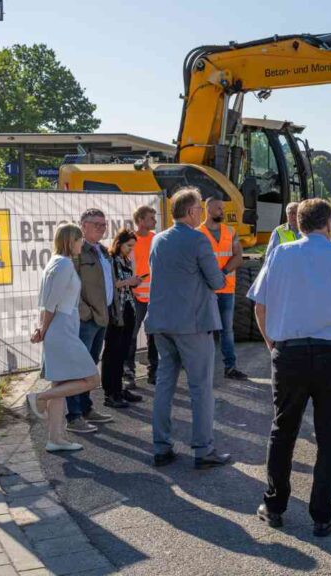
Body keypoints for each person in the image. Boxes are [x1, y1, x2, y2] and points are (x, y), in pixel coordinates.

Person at [248, 198, 331, 538]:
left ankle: (274, 506)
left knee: (283, 429)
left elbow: (260, 307)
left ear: (299, 223)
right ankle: (322, 514)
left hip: (289, 353)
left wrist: (272, 344)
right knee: (330, 435)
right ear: (328, 222)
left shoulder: (280, 254)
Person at [146, 187, 232, 469]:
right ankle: (203, 449)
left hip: (161, 322)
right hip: (192, 323)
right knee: (200, 388)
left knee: (164, 384)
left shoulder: (158, 239)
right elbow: (217, 281)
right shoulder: (198, 239)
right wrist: (222, 275)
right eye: (199, 208)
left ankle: (161, 447)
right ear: (191, 211)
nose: (201, 213)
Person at [26, 224, 101, 452]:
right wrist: (44, 329)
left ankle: (55, 439)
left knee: (60, 383)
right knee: (91, 379)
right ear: (71, 241)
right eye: (79, 240)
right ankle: (40, 397)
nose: (82, 244)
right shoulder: (65, 264)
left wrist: (42, 329)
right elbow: (51, 304)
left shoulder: (54, 262)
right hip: (63, 329)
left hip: (58, 328)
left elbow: (46, 303)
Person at [68, 208, 115, 434]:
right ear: (83, 226)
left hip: (101, 316)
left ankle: (86, 408)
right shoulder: (77, 251)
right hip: (87, 319)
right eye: (96, 224)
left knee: (90, 365)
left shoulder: (103, 251)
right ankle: (73, 415)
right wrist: (84, 312)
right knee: (78, 367)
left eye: (103, 224)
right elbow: (71, 286)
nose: (101, 228)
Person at [199, 198, 248, 380]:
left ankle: (230, 367)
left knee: (226, 330)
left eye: (223, 208)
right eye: (219, 208)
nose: (222, 211)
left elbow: (238, 257)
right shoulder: (198, 233)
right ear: (208, 209)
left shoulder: (230, 231)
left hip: (226, 288)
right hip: (206, 290)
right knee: (204, 330)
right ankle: (202, 369)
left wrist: (222, 273)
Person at [100, 228, 145, 408]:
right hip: (116, 311)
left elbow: (125, 284)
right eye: (128, 246)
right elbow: (110, 285)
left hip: (128, 307)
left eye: (133, 246)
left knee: (123, 351)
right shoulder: (111, 260)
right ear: (119, 243)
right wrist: (129, 282)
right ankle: (110, 392)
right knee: (113, 352)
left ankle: (119, 389)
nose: (130, 249)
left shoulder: (125, 260)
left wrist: (134, 282)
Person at [124, 205, 159, 388]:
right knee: (131, 335)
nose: (154, 221)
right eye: (151, 218)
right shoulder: (131, 241)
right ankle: (128, 373)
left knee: (154, 335)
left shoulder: (156, 238)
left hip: (155, 296)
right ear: (140, 221)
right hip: (135, 296)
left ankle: (154, 372)